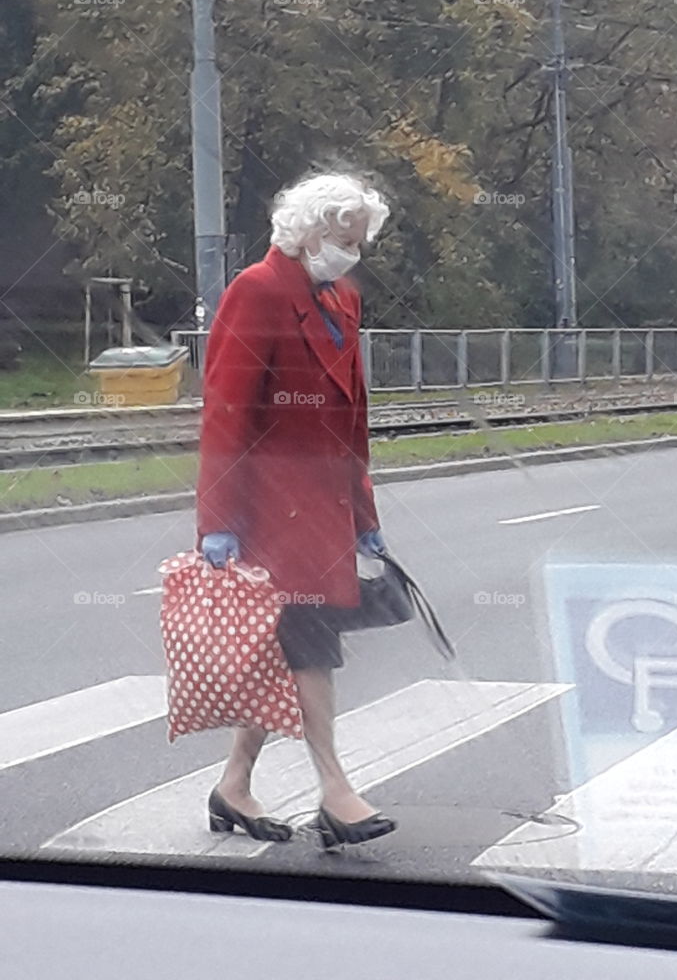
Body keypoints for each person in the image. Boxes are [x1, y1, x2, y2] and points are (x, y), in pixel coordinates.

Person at [195, 171, 395, 850]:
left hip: (327, 512)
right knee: (310, 647)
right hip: (269, 515)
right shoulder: (256, 292)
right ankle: (336, 792)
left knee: (282, 652)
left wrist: (365, 519)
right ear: (308, 230)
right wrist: (217, 522)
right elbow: (226, 414)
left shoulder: (340, 297)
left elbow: (353, 422)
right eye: (344, 239)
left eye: (358, 243)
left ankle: (234, 784)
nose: (352, 254)